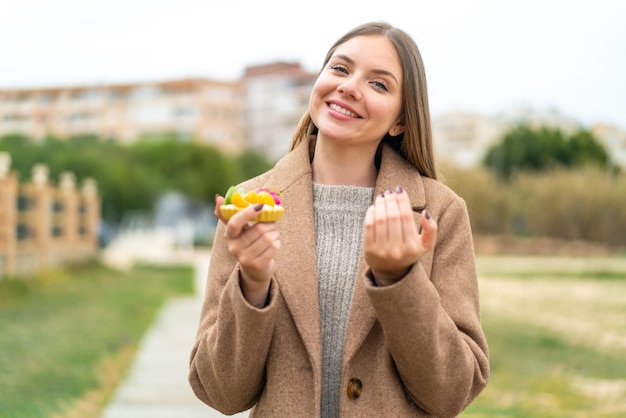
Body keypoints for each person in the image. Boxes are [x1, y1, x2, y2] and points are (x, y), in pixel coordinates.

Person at [189, 21, 489, 417]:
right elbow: (220, 393)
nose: (349, 86)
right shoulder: (249, 205)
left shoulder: (442, 212)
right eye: (340, 69)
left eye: (379, 84)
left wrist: (399, 280)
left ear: (401, 120)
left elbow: (452, 392)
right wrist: (253, 283)